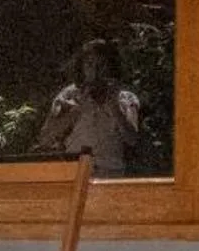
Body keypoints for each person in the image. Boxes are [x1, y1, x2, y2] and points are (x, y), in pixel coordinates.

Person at [35, 38, 140, 177]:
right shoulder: (68, 95)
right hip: (75, 171)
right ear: (83, 67)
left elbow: (132, 139)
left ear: (110, 67)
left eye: (101, 65)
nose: (96, 71)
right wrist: (77, 110)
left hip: (110, 172)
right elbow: (46, 138)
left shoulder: (126, 98)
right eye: (90, 64)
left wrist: (114, 106)